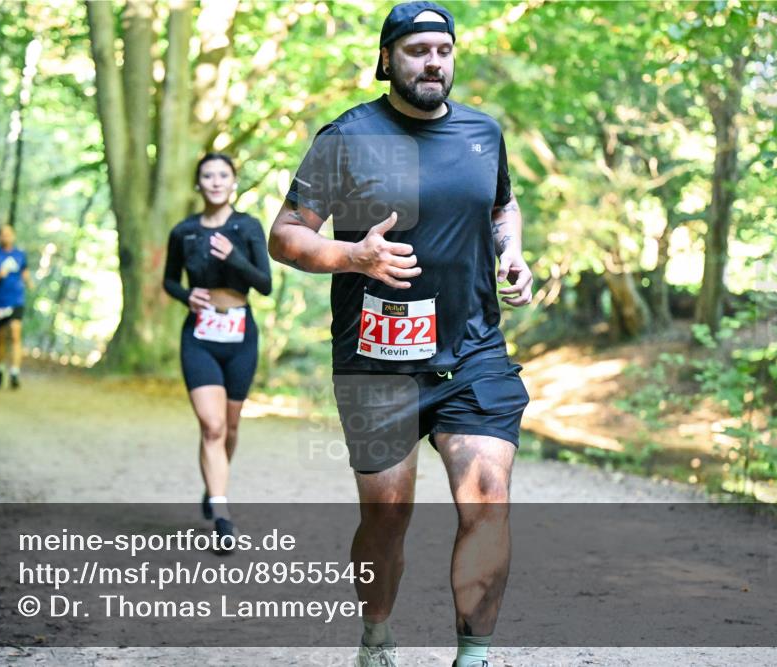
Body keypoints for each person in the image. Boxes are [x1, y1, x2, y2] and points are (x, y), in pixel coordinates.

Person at [268, 3, 533, 666]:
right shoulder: (348, 136)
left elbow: (502, 204)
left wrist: (512, 252)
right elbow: (285, 234)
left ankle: (473, 654)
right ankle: (377, 630)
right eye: (416, 49)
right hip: (376, 360)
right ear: (387, 59)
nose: (433, 61)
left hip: (473, 352)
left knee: (487, 501)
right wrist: (352, 255)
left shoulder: (481, 132)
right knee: (387, 515)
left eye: (442, 49)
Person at [163, 153, 272, 548]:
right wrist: (185, 294)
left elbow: (264, 284)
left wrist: (236, 258)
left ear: (233, 182)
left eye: (222, 175)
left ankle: (214, 484)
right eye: (207, 175)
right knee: (212, 426)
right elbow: (170, 281)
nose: (214, 181)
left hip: (241, 334)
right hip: (200, 335)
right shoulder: (184, 231)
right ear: (198, 184)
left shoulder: (248, 226)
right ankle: (222, 513)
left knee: (230, 426)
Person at [0, 225, 32, 389]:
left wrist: (29, 281)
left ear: (14, 236)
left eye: (9, 234)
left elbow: (25, 271)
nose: (6, 237)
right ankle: (0, 368)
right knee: (0, 338)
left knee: (16, 334)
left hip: (17, 300)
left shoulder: (20, 255)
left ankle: (15, 372)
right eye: (3, 235)